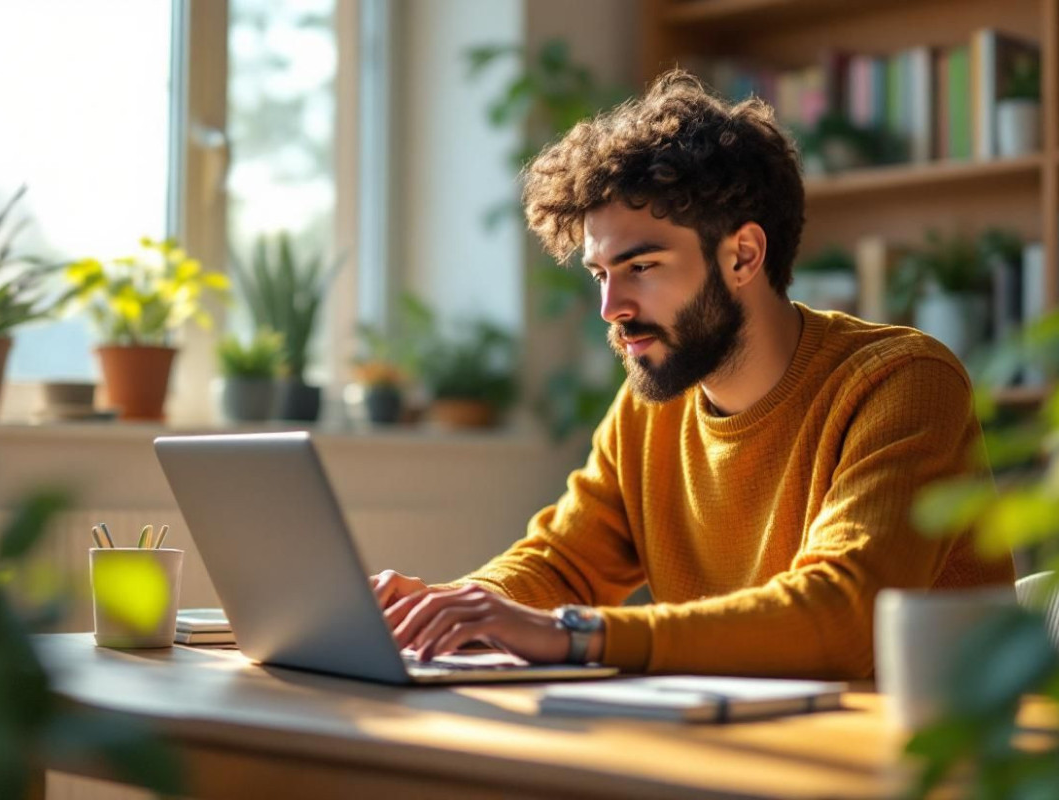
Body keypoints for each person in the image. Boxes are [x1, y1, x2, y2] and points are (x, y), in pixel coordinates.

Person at [370, 70, 1014, 679]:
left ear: (743, 255)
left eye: (641, 267)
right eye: (601, 274)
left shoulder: (902, 381)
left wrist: (577, 635)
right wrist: (447, 608)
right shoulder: (651, 403)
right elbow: (563, 560)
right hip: (742, 749)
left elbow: (842, 617)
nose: (610, 307)